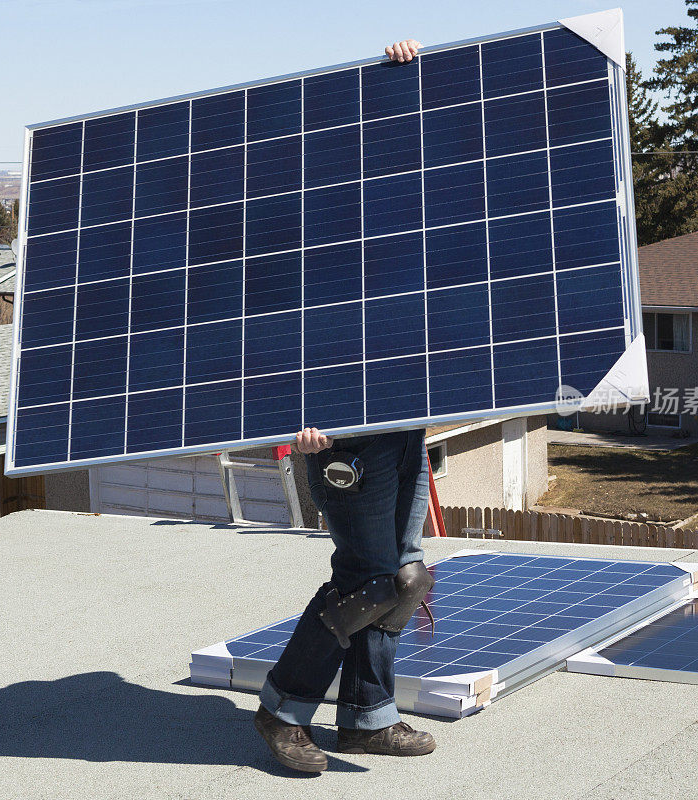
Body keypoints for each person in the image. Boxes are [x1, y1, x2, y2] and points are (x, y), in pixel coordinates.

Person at [253, 39, 432, 773]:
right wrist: (293, 414)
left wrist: (409, 73)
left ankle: (368, 716)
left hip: (402, 417)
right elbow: (258, 332)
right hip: (340, 440)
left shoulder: (398, 224)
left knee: (404, 571)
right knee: (365, 578)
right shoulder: (292, 236)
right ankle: (282, 708)